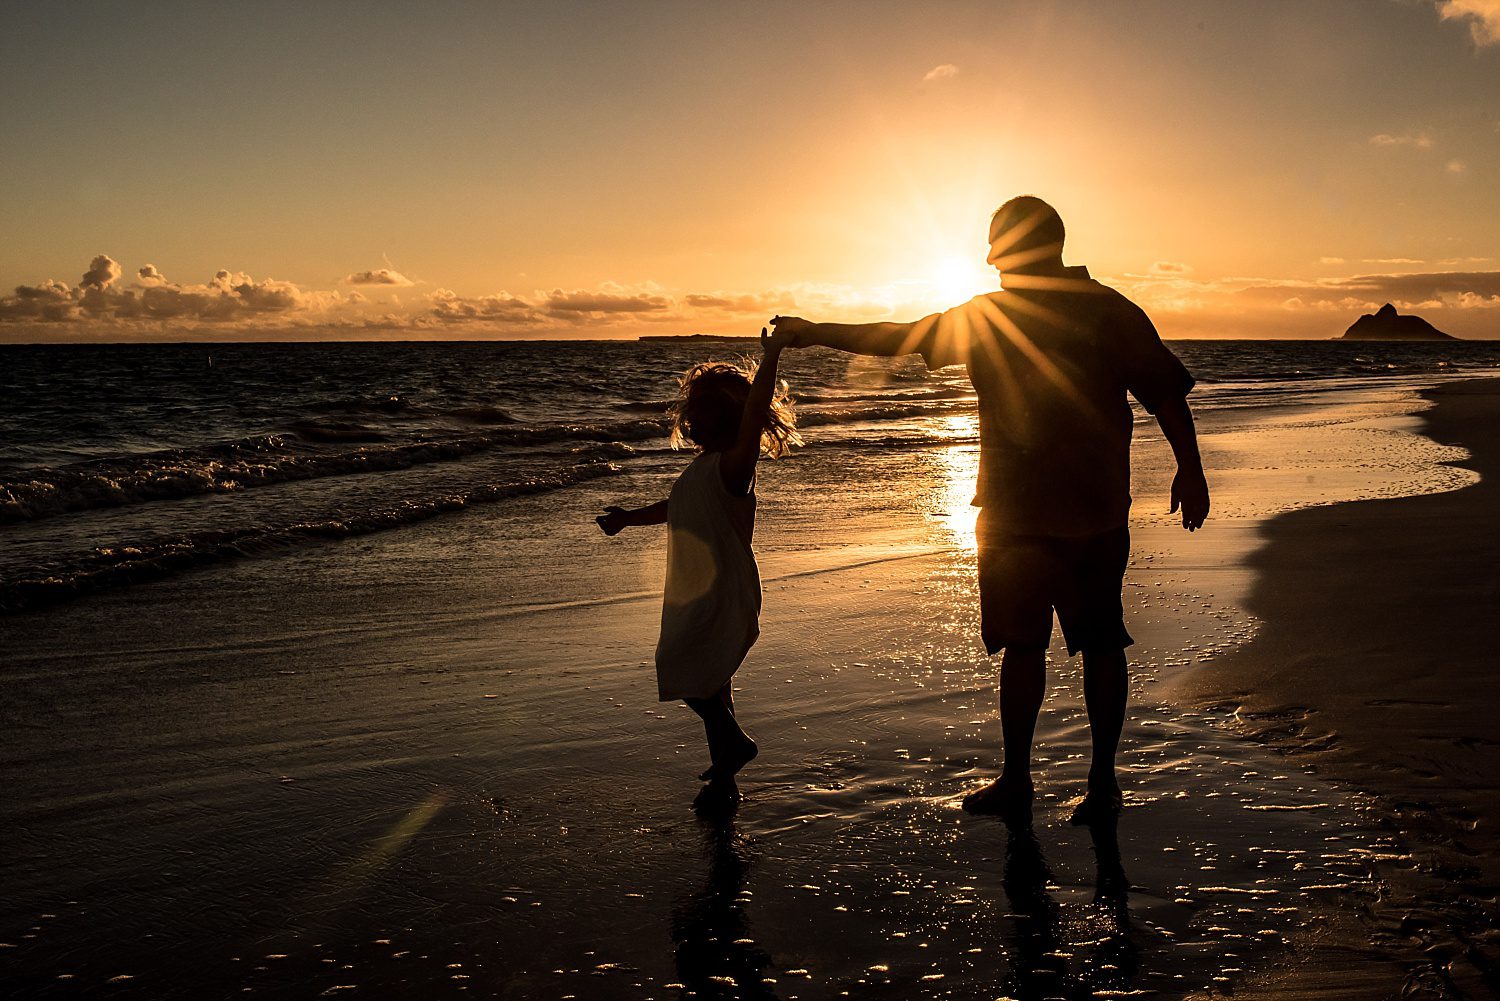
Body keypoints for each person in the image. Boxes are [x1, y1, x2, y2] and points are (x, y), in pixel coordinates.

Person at [771, 195, 1209, 824]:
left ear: (1025, 248)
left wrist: (811, 332)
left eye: (996, 243)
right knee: (1075, 644)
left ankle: (1058, 780)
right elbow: (1166, 396)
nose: (987, 255)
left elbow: (1166, 393)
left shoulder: (1042, 314)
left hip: (1035, 512)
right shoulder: (1095, 309)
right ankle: (1064, 782)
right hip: (1059, 508)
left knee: (1057, 645)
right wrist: (1188, 470)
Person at [596, 328, 800, 803]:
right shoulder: (701, 470)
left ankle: (736, 745)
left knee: (682, 667)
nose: (691, 422)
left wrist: (771, 358)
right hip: (695, 587)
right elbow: (675, 508)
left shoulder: (734, 466)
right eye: (692, 415)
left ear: (727, 419)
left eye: (702, 415)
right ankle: (725, 771)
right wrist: (628, 519)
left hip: (722, 588)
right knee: (711, 679)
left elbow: (755, 414)